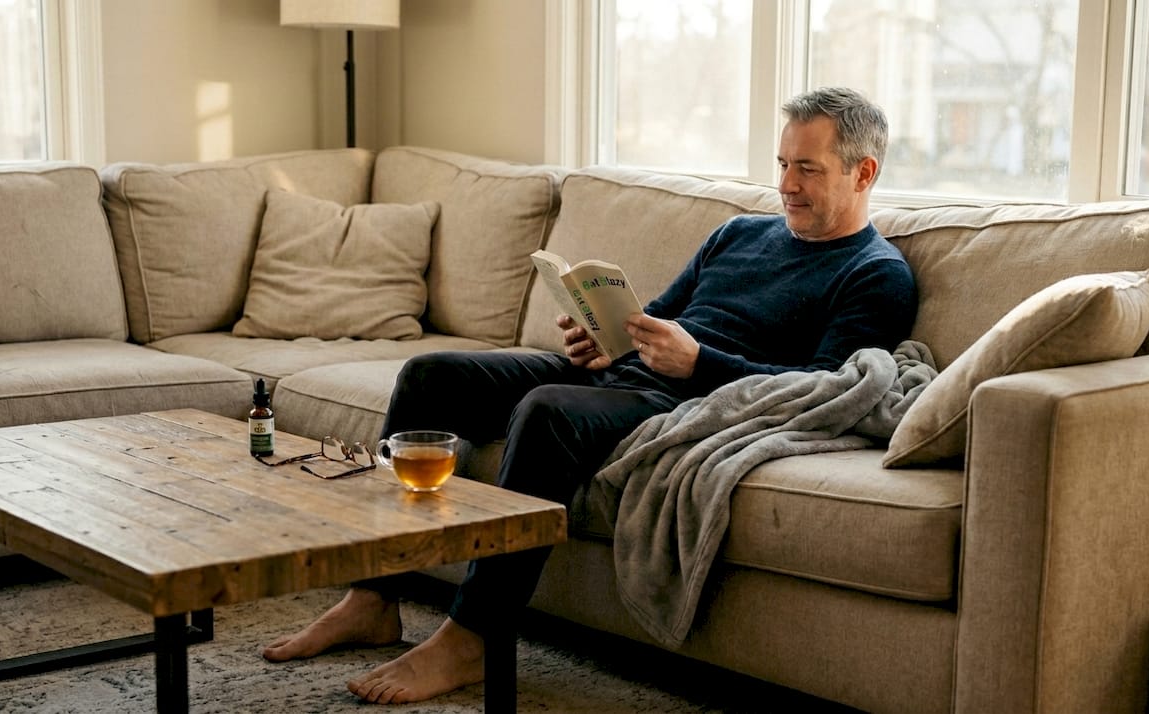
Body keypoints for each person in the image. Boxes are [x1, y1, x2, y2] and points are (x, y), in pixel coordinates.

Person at [261, 86, 918, 704]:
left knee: (546, 411)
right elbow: (651, 318)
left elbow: (824, 391)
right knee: (431, 376)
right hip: (629, 375)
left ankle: (473, 639)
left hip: (689, 404)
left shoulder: (875, 274)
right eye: (781, 163)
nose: (785, 185)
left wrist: (699, 363)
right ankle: (373, 598)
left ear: (863, 174)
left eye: (807, 169)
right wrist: (604, 339)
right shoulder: (740, 233)